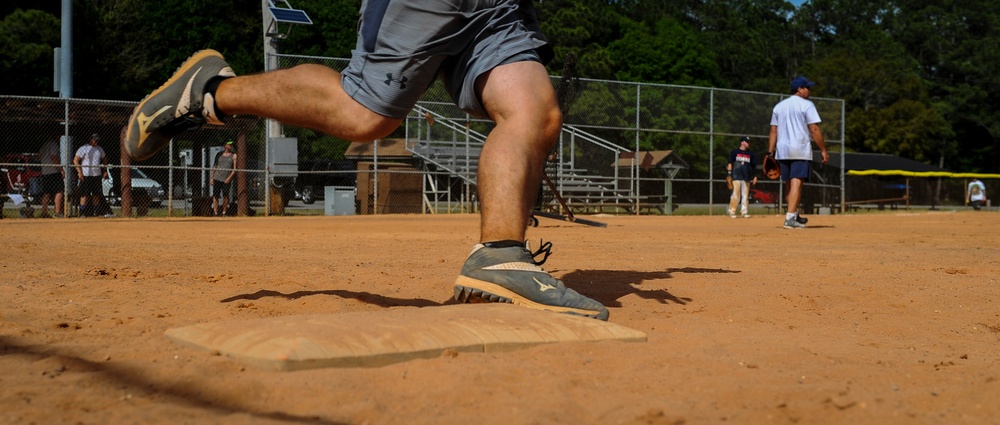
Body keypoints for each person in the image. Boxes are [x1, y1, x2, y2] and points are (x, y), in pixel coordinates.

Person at [124, 1, 608, 320]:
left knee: (535, 113)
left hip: (499, 6)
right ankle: (208, 91)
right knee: (364, 114)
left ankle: (500, 258)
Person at [768, 76, 829, 229]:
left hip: (782, 150)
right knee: (797, 182)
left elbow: (773, 130)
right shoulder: (807, 105)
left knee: (790, 183)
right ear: (800, 89)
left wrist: (770, 152)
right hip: (799, 148)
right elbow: (814, 129)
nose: (809, 90)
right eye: (807, 87)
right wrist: (823, 149)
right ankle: (789, 219)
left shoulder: (779, 106)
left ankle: (793, 214)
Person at [73, 133, 108, 217]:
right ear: (90, 139)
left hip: (96, 175)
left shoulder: (99, 149)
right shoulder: (84, 148)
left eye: (97, 140)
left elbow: (105, 159)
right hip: (86, 175)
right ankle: (82, 213)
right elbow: (75, 160)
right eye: (95, 140)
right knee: (84, 194)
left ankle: (96, 212)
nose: (96, 142)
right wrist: (80, 172)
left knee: (96, 194)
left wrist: (105, 170)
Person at [726, 136, 757, 218]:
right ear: (742, 142)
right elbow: (730, 163)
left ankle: (744, 212)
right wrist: (729, 174)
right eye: (747, 142)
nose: (748, 143)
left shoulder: (750, 154)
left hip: (746, 177)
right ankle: (732, 211)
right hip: (736, 176)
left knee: (745, 196)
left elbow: (754, 166)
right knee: (735, 195)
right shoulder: (735, 152)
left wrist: (755, 176)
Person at [37, 136, 65, 218]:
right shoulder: (54, 144)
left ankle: (44, 212)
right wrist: (61, 169)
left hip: (45, 171)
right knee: (59, 191)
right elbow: (54, 158)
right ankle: (57, 212)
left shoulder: (45, 144)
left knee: (47, 193)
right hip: (54, 172)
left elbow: (39, 156)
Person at [210, 140, 237, 216]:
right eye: (229, 144)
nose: (231, 146)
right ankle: (215, 212)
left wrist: (229, 178)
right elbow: (215, 166)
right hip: (217, 177)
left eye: (231, 145)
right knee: (215, 195)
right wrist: (212, 178)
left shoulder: (233, 155)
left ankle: (224, 212)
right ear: (225, 145)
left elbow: (234, 169)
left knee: (225, 195)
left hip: (226, 179)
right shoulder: (219, 154)